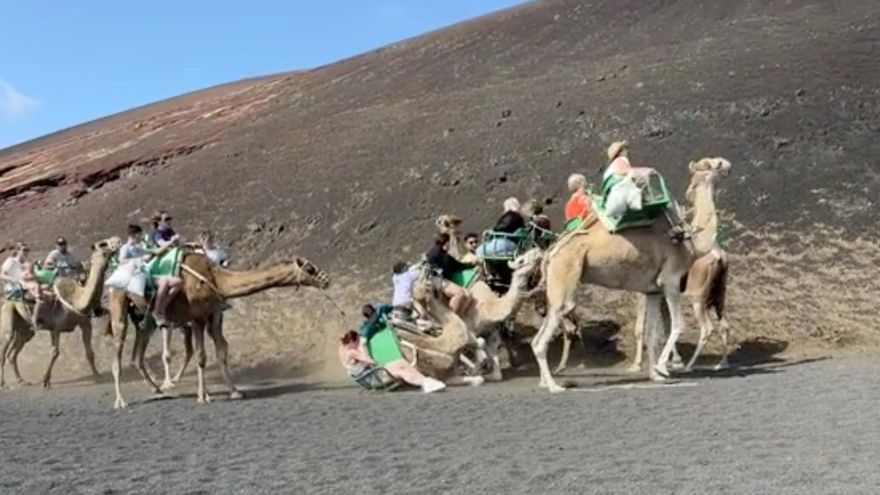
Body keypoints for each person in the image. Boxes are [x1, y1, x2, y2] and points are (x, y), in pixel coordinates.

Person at [604, 140, 690, 241]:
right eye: (624, 149)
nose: (626, 151)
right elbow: (629, 172)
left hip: (618, 198)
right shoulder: (621, 160)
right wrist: (647, 170)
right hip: (625, 196)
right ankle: (678, 223)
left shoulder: (610, 169)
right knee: (663, 198)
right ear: (620, 151)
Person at [338, 330, 446, 393]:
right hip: (375, 378)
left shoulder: (341, 350)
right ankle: (425, 383)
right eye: (357, 342)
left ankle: (424, 380)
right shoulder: (352, 352)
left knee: (400, 364)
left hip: (371, 376)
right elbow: (371, 361)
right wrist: (362, 348)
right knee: (401, 370)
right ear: (352, 341)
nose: (358, 344)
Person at [425, 233, 473, 316]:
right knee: (459, 293)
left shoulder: (443, 254)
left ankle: (460, 318)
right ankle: (451, 318)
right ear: (446, 242)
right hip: (438, 281)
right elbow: (434, 271)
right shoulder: (435, 254)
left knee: (468, 295)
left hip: (441, 280)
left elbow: (458, 265)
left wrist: (472, 265)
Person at [148, 212, 183, 326]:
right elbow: (161, 246)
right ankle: (157, 309)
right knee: (165, 282)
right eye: (166, 219)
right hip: (161, 263)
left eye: (170, 218)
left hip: (171, 257)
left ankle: (163, 307)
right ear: (159, 222)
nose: (169, 221)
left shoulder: (169, 231)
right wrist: (172, 241)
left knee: (179, 282)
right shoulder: (156, 233)